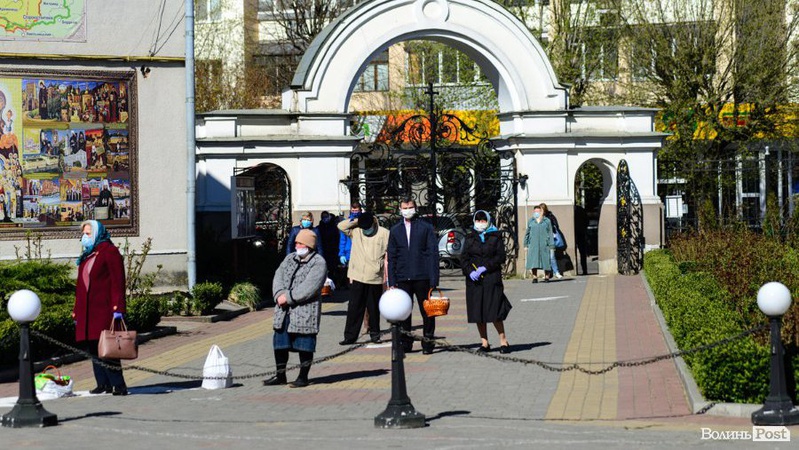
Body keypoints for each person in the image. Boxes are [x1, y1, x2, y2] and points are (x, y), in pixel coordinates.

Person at [263, 229, 327, 388]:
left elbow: (310, 287)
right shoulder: (290, 258)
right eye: (297, 243)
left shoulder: (318, 262)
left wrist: (289, 297)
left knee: (304, 344)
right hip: (283, 309)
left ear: (309, 245)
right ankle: (280, 375)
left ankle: (303, 377)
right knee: (280, 343)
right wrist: (278, 294)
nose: (297, 246)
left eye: (300, 243)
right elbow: (278, 275)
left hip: (304, 310)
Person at [72, 220, 128, 395]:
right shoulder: (89, 254)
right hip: (88, 311)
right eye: (84, 234)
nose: (84, 237)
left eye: (88, 234)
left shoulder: (109, 252)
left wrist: (118, 307)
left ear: (97, 233)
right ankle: (103, 383)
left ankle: (118, 384)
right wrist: (76, 311)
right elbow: (81, 286)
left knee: (108, 347)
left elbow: (117, 282)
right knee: (93, 348)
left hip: (103, 310)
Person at [387, 197, 439, 354]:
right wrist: (392, 280)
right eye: (404, 207)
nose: (407, 210)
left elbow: (432, 253)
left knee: (427, 312)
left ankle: (428, 342)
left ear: (415, 208)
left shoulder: (425, 227)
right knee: (404, 313)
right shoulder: (395, 230)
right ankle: (406, 343)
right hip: (403, 277)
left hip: (422, 276)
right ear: (400, 209)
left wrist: (434, 279)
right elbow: (392, 256)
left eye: (410, 207)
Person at [462, 210, 512, 353]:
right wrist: (470, 271)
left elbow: (500, 256)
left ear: (488, 221)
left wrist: (485, 267)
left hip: (491, 278)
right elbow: (464, 258)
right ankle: (484, 343)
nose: (480, 223)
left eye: (483, 220)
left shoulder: (495, 236)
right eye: (478, 220)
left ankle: (503, 341)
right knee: (479, 312)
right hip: (475, 282)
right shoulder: (470, 236)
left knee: (494, 311)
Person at [338, 211, 389, 345]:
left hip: (375, 277)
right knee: (354, 308)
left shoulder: (384, 233)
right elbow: (341, 226)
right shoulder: (356, 231)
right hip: (358, 275)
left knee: (373, 308)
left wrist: (387, 275)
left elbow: (389, 253)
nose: (366, 230)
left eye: (368, 227)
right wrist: (357, 221)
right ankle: (350, 336)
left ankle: (375, 334)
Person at [524, 205, 553, 283]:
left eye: (538, 211)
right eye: (535, 211)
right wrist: (525, 245)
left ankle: (547, 276)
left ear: (541, 212)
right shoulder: (531, 221)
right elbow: (527, 233)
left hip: (544, 243)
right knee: (534, 260)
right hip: (533, 244)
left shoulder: (547, 221)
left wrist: (551, 244)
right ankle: (534, 277)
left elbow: (550, 233)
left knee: (545, 260)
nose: (536, 213)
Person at [539, 203, 564, 279]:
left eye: (541, 210)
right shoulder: (538, 218)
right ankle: (547, 274)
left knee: (552, 256)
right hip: (543, 240)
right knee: (545, 257)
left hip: (551, 239)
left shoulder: (550, 217)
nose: (540, 211)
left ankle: (556, 272)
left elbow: (556, 226)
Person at [338, 202, 362, 268]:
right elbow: (343, 240)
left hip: (361, 252)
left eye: (356, 210)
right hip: (349, 252)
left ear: (360, 210)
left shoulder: (363, 221)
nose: (354, 212)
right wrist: (342, 254)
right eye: (353, 210)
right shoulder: (347, 223)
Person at [574, 204, 589, 275]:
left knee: (582, 253)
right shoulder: (581, 210)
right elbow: (587, 221)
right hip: (581, 233)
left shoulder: (578, 210)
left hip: (578, 233)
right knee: (583, 253)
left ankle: (581, 270)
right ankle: (584, 270)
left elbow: (586, 221)